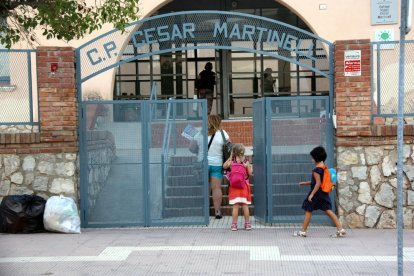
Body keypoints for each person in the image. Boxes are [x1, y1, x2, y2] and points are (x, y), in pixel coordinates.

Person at [294, 146, 346, 238]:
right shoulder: (324, 169)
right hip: (323, 193)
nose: (312, 160)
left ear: (316, 158)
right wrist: (306, 183)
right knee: (328, 210)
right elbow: (319, 182)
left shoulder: (316, 170)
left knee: (308, 209)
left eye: (312, 158)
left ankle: (303, 231)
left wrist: (312, 194)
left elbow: (317, 184)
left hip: (316, 193)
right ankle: (340, 229)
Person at [200, 114, 230, 219]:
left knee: (204, 187)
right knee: (216, 188)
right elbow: (229, 148)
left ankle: (204, 212)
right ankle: (217, 211)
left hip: (204, 164)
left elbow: (192, 148)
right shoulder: (223, 134)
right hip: (217, 164)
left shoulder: (201, 133)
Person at [223, 143, 253, 231]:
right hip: (244, 186)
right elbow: (250, 173)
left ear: (234, 152)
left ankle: (234, 225)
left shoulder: (232, 161)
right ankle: (247, 224)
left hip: (234, 187)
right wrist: (248, 166)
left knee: (235, 206)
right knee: (245, 205)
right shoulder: (246, 161)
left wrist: (230, 156)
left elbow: (224, 166)